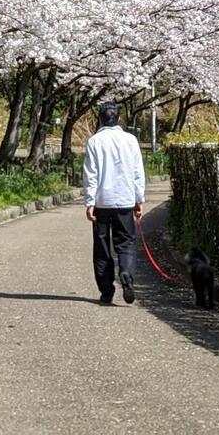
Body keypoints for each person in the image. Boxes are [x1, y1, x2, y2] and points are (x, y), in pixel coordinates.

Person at [81, 100, 147, 305]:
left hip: (102, 201)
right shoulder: (131, 140)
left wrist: (89, 202)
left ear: (100, 119)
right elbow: (138, 172)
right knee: (126, 243)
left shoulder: (94, 141)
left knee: (102, 247)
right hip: (125, 200)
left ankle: (106, 291)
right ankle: (126, 273)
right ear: (118, 119)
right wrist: (139, 199)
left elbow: (90, 174)